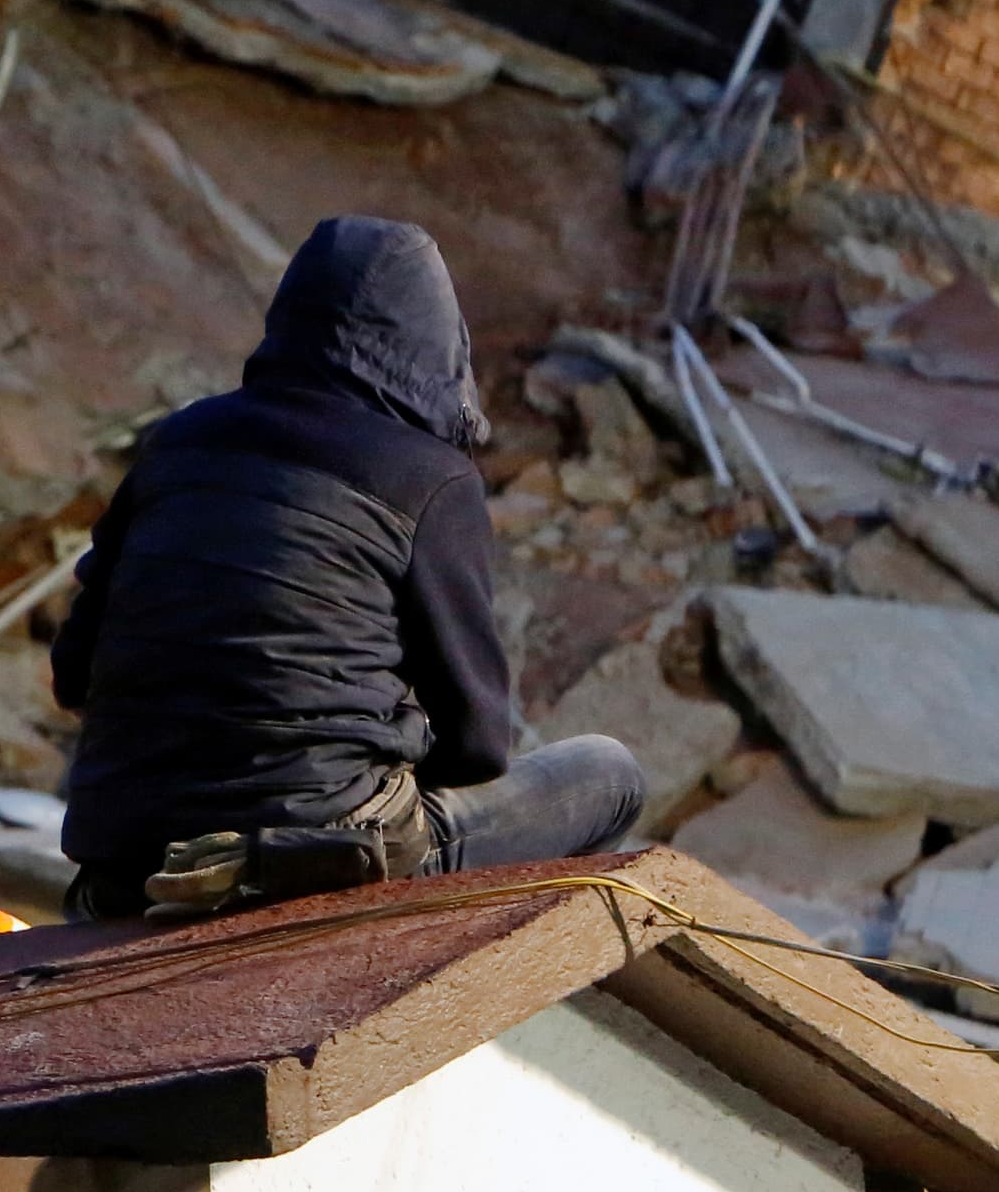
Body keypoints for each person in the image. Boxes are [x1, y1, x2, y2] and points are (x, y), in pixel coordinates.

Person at [51, 214, 647, 919]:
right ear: (436, 345)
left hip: (122, 858)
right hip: (318, 852)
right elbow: (479, 745)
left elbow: (73, 672)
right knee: (610, 775)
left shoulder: (179, 444)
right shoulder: (429, 479)